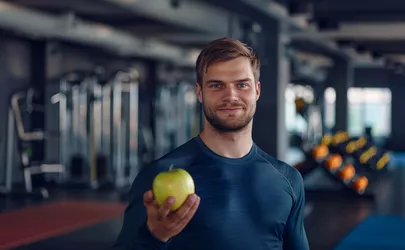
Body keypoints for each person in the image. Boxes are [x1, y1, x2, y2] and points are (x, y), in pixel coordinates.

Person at [112, 37, 309, 250]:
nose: (230, 96)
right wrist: (154, 237)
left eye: (242, 85)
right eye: (216, 85)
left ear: (257, 91)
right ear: (200, 93)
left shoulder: (288, 180)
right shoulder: (157, 176)